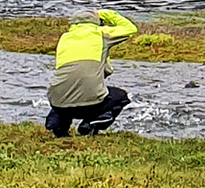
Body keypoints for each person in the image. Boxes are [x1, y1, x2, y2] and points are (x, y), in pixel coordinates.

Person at [44, 8, 138, 137]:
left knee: (67, 90)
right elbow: (130, 28)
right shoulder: (101, 34)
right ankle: (91, 124)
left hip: (57, 101)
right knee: (120, 97)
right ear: (97, 22)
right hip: (90, 104)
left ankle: (57, 125)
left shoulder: (65, 38)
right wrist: (105, 13)